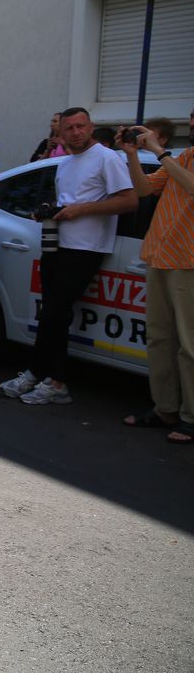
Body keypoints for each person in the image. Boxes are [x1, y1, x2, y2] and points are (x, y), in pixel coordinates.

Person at [0, 108, 137, 405]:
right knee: (51, 312)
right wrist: (52, 209)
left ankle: (54, 380)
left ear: (91, 127)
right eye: (69, 128)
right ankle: (40, 374)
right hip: (56, 244)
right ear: (60, 133)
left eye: (81, 126)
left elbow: (129, 201)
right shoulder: (66, 162)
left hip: (87, 248)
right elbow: (68, 201)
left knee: (55, 312)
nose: (76, 132)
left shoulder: (107, 157)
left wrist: (80, 210)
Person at [119, 120, 194, 444]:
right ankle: (165, 409)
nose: (191, 124)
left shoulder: (173, 158)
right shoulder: (184, 156)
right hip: (160, 257)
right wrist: (132, 155)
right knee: (159, 339)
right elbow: (144, 189)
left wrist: (160, 152)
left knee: (189, 346)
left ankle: (191, 417)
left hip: (188, 262)